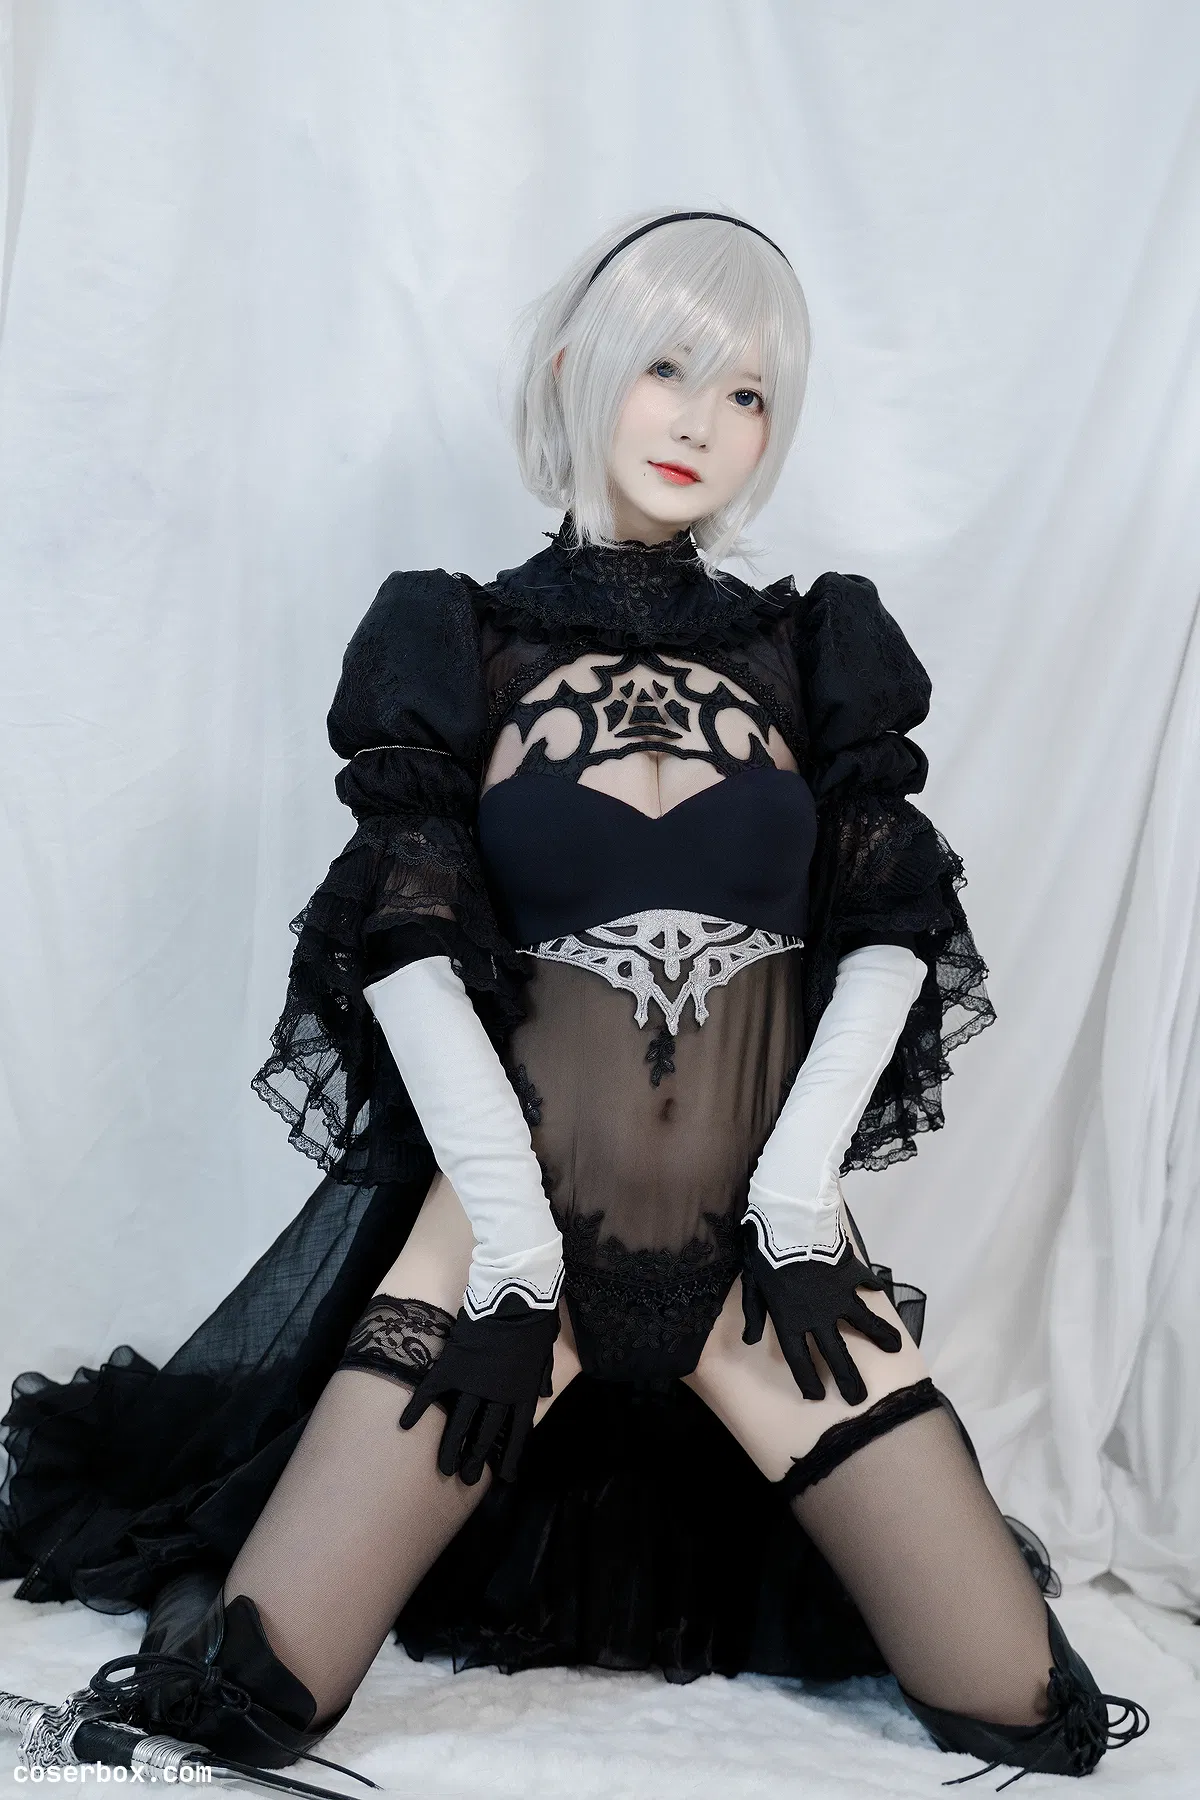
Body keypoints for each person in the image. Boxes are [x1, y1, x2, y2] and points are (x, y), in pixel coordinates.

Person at [0, 211, 1147, 1790]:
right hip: (500, 1258)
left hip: (765, 1265)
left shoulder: (817, 649)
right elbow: (407, 953)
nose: (702, 420)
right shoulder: (453, 642)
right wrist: (516, 1252)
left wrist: (798, 1201)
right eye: (668, 367)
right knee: (257, 1696)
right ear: (573, 369)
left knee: (1028, 1707)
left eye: (748, 392)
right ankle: (250, 1546)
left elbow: (892, 928)